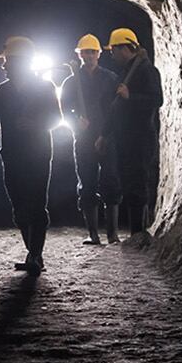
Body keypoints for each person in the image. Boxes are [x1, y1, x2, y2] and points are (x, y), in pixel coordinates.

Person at [0, 36, 62, 273]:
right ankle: (32, 254)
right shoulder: (2, 91)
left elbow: (57, 119)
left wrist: (35, 124)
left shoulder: (45, 88)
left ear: (21, 62)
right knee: (19, 207)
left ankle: (35, 255)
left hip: (38, 154)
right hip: (12, 155)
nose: (4, 66)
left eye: (8, 62)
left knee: (36, 204)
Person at [60, 33, 122, 245]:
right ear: (79, 54)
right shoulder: (71, 81)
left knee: (111, 180)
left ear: (99, 54)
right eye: (84, 52)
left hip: (107, 136)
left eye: (92, 52)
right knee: (87, 182)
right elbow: (64, 109)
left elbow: (117, 108)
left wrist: (106, 133)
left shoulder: (110, 78)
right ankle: (93, 234)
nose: (88, 55)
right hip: (83, 137)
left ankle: (112, 234)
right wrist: (75, 120)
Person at [103, 26, 163, 243]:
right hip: (125, 136)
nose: (112, 54)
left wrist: (131, 96)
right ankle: (136, 232)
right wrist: (105, 134)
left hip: (140, 136)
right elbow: (115, 108)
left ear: (124, 48)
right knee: (128, 182)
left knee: (138, 181)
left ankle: (139, 233)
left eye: (114, 50)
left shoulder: (146, 70)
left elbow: (157, 100)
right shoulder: (127, 71)